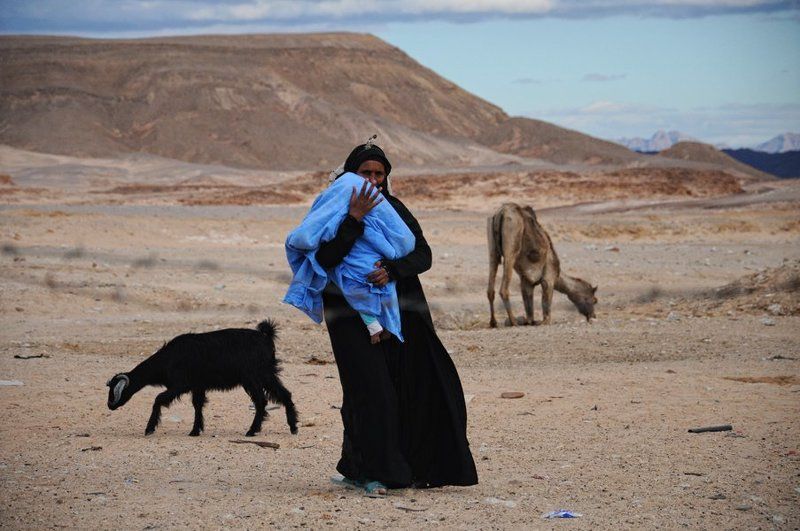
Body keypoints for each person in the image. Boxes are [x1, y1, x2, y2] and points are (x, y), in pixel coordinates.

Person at [315, 141, 478, 496]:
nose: (373, 181)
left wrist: (392, 269)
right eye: (365, 173)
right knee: (368, 390)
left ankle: (409, 467)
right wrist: (354, 219)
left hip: (402, 314)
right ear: (350, 175)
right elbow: (324, 257)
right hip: (349, 314)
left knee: (416, 385)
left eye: (379, 174)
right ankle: (370, 471)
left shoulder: (395, 210)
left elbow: (423, 255)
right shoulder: (331, 209)